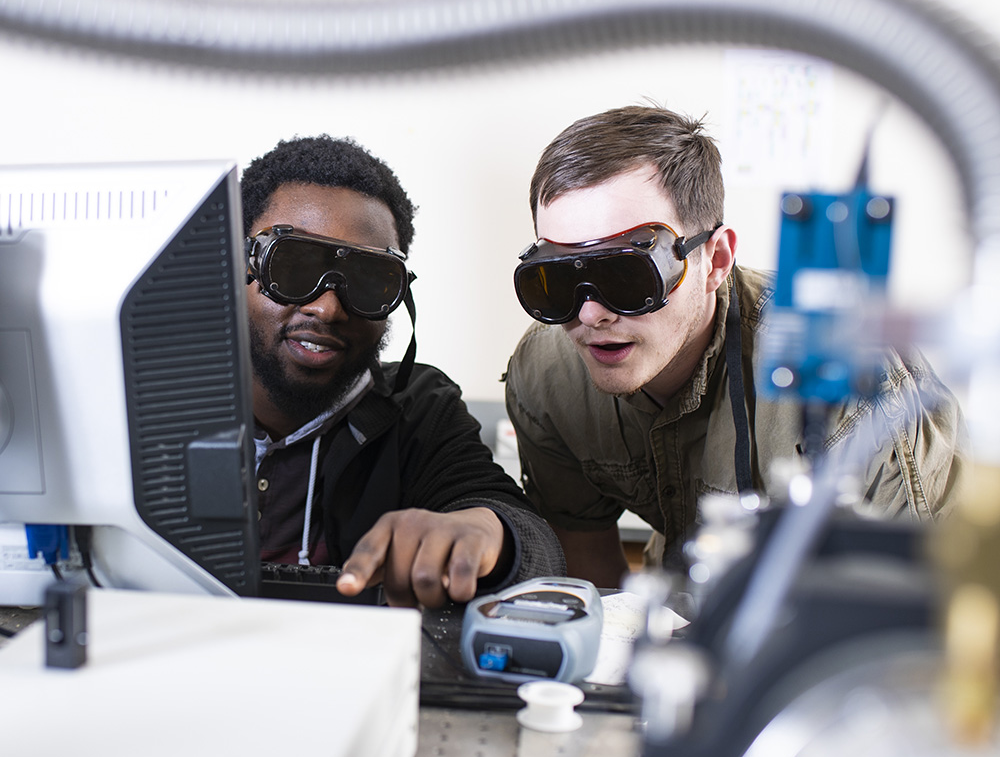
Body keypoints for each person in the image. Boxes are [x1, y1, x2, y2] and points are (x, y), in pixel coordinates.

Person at [504, 105, 965, 589]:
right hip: (688, 595)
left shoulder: (851, 389)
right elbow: (589, 574)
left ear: (716, 259)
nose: (589, 315)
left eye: (625, 274)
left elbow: (908, 625)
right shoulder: (548, 376)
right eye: (556, 279)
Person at [242, 134, 565, 607]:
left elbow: (530, 540)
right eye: (292, 267)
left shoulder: (417, 408)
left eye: (368, 280)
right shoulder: (148, 399)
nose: (328, 308)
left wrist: (484, 533)